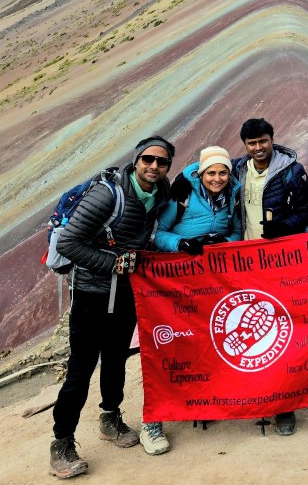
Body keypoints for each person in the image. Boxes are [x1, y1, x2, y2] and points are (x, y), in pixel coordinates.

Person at [49, 136, 175, 480]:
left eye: (162, 162)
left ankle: (110, 417)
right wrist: (113, 264)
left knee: (116, 359)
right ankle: (62, 442)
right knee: (81, 368)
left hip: (125, 294)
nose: (154, 166)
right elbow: (69, 242)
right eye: (148, 159)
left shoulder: (159, 194)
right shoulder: (109, 194)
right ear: (136, 160)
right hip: (91, 293)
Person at [140, 145, 242, 455]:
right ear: (201, 173)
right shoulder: (182, 194)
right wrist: (183, 243)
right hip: (175, 284)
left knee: (208, 343)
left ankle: (202, 401)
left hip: (211, 284)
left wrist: (222, 242)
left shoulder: (233, 194)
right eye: (211, 172)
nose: (217, 178)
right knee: (169, 348)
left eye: (222, 172)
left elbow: (238, 231)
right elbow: (159, 234)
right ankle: (152, 421)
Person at [231, 118, 308, 434]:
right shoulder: (237, 169)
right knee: (245, 332)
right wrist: (186, 178)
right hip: (244, 264)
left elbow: (304, 212)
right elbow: (206, 170)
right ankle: (253, 395)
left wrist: (283, 228)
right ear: (245, 145)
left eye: (263, 141)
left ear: (272, 139)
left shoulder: (292, 171)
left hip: (278, 265)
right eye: (252, 143)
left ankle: (284, 407)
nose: (258, 147)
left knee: (279, 333)